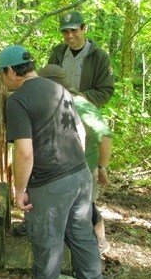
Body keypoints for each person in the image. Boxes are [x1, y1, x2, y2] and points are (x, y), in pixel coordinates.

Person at [0, 45, 106, 279]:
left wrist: (20, 190)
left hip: (50, 183)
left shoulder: (18, 100)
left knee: (47, 240)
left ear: (11, 71)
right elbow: (80, 132)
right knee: (82, 236)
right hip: (79, 174)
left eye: (1, 73)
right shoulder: (60, 89)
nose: (2, 79)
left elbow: (24, 152)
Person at [38, 64, 112, 255]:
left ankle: (100, 241)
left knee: (86, 207)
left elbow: (104, 137)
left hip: (85, 167)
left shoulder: (80, 104)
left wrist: (102, 167)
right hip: (64, 168)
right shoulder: (55, 101)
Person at [48, 11, 114, 108]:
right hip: (58, 112)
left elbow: (105, 91)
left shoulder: (99, 57)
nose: (70, 36)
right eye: (65, 31)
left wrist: (77, 98)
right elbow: (47, 84)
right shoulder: (57, 54)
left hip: (85, 114)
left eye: (74, 30)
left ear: (83, 28)